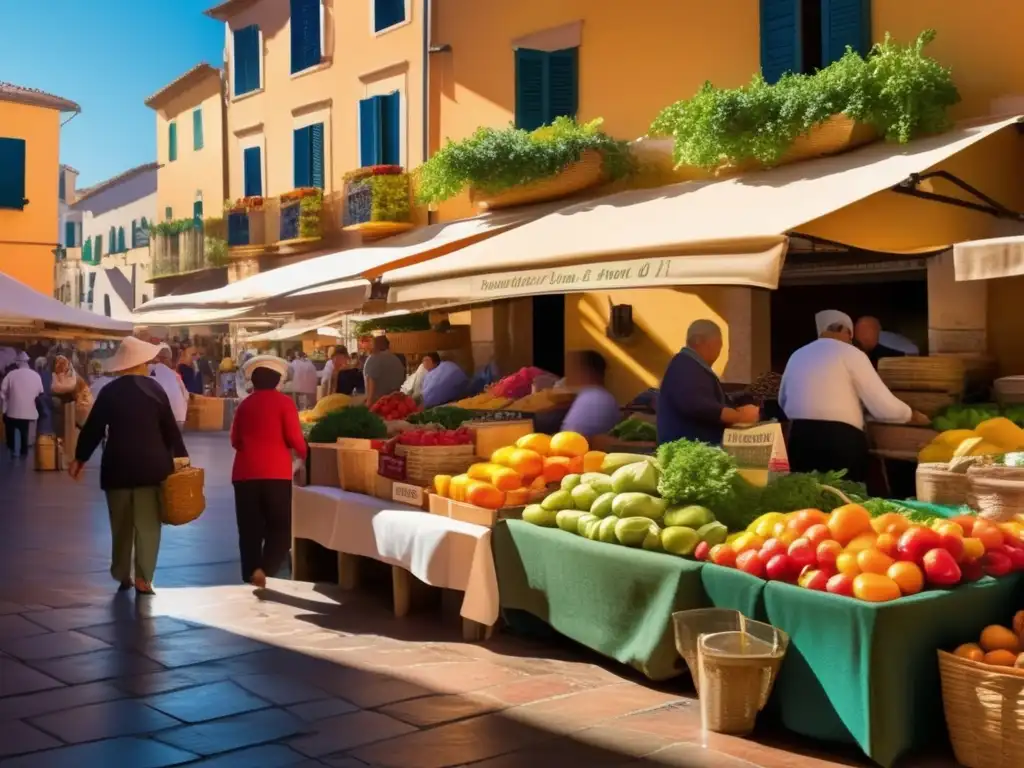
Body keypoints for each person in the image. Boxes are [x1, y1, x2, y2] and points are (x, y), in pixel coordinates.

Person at [70, 337, 188, 595]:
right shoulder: (155, 390)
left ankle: (122, 573)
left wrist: (80, 458)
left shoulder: (110, 392)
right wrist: (182, 457)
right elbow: (170, 429)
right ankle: (144, 577)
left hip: (118, 467)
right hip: (152, 468)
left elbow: (94, 429)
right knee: (148, 525)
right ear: (142, 363)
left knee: (121, 525)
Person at [779, 310, 924, 482]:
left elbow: (783, 399)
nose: (850, 341)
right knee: (846, 500)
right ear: (845, 330)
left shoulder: (797, 355)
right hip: (840, 442)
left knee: (807, 498)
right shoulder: (851, 353)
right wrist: (911, 414)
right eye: (850, 336)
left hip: (800, 439)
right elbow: (882, 405)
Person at [230, 355, 308, 588]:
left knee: (249, 528)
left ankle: (251, 572)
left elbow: (235, 440)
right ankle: (266, 568)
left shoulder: (244, 405)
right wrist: (305, 454)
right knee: (281, 527)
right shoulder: (284, 403)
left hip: (244, 474)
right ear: (277, 381)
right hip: (276, 473)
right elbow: (295, 438)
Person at [657, 320, 760, 445]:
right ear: (698, 340)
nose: (719, 351)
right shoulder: (685, 366)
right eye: (718, 344)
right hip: (687, 451)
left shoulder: (693, 366)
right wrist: (740, 417)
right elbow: (698, 405)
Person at [560, 350, 621, 438]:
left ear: (583, 371)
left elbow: (572, 439)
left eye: (570, 369)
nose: (566, 376)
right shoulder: (593, 395)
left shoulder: (593, 398)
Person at [1, 351, 43, 459]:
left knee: (10, 430)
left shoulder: (11, 374)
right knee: (24, 430)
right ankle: (23, 450)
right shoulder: (36, 375)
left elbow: (3, 391)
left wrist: (6, 403)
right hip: (29, 411)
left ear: (17, 363)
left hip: (12, 410)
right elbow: (40, 392)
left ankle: (12, 449)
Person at [151, 344, 189, 428]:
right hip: (179, 417)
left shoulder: (150, 370)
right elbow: (186, 395)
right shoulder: (174, 374)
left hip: (163, 418)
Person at [363, 336, 407, 406]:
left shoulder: (373, 358)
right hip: (394, 402)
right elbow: (402, 380)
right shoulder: (396, 360)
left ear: (375, 345)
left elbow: (371, 379)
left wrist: (369, 402)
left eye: (372, 344)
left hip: (378, 402)